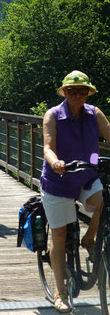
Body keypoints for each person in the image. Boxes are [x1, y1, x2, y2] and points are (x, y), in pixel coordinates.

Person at [40, 70, 110, 313]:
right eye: (72, 91)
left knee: (102, 202)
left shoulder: (94, 114)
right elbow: (48, 146)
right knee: (58, 236)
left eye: (82, 91)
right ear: (65, 92)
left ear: (88, 93)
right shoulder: (53, 115)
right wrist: (55, 162)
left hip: (87, 176)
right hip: (59, 181)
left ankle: (89, 238)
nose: (77, 95)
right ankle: (60, 291)